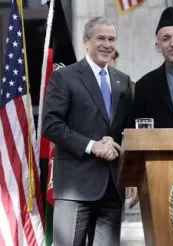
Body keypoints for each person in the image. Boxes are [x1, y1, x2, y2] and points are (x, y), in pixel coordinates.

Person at [42, 16, 138, 246]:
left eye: (112, 39)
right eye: (101, 38)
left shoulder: (122, 81)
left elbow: (129, 130)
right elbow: (51, 124)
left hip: (111, 187)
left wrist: (132, 173)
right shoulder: (64, 77)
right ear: (86, 42)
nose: (107, 44)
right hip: (75, 188)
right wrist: (92, 145)